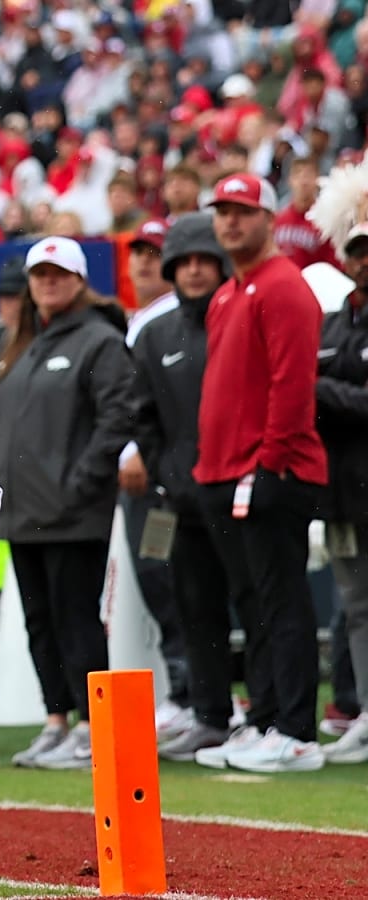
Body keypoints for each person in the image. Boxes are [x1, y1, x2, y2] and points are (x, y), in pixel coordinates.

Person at [0, 236, 139, 770]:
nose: (48, 281)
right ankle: (57, 720)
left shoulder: (99, 340)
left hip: (73, 514)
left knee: (77, 621)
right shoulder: (13, 343)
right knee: (38, 622)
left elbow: (119, 416)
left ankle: (96, 728)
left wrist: (82, 483)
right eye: (40, 274)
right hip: (22, 513)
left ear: (78, 278)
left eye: (58, 273)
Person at [192, 173, 328, 774]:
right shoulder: (228, 294)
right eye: (222, 211)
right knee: (253, 605)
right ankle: (268, 717)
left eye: (242, 211)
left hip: (271, 469)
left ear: (268, 218)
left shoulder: (284, 287)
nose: (230, 222)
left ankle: (297, 731)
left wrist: (270, 463)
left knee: (283, 599)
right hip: (225, 471)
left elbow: (293, 386)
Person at [132, 213, 245, 762]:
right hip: (182, 501)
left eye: (206, 260)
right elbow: (143, 417)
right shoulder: (154, 335)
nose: (196, 271)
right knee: (195, 610)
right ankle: (210, 715)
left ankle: (268, 716)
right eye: (186, 262)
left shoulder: (242, 320)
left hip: (245, 495)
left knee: (258, 607)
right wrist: (169, 477)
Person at [116, 218, 194, 737]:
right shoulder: (142, 320)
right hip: (146, 473)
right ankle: (188, 693)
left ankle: (192, 694)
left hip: (161, 478)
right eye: (137, 251)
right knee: (157, 580)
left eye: (154, 251)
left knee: (168, 579)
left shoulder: (170, 319)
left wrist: (140, 450)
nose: (144, 260)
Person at [316, 224, 368, 765]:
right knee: (356, 606)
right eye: (357, 250)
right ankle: (364, 713)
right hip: (344, 492)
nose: (364, 260)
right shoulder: (331, 323)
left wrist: (322, 389)